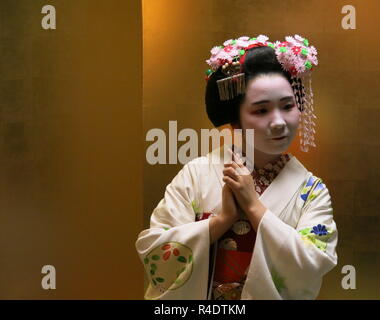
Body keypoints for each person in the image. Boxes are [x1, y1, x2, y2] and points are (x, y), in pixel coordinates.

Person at [136, 34, 338, 300]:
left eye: (287, 106)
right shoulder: (196, 175)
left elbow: (314, 261)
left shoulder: (311, 190)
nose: (279, 122)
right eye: (261, 110)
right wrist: (220, 222)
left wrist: (254, 208)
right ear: (236, 120)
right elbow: (155, 252)